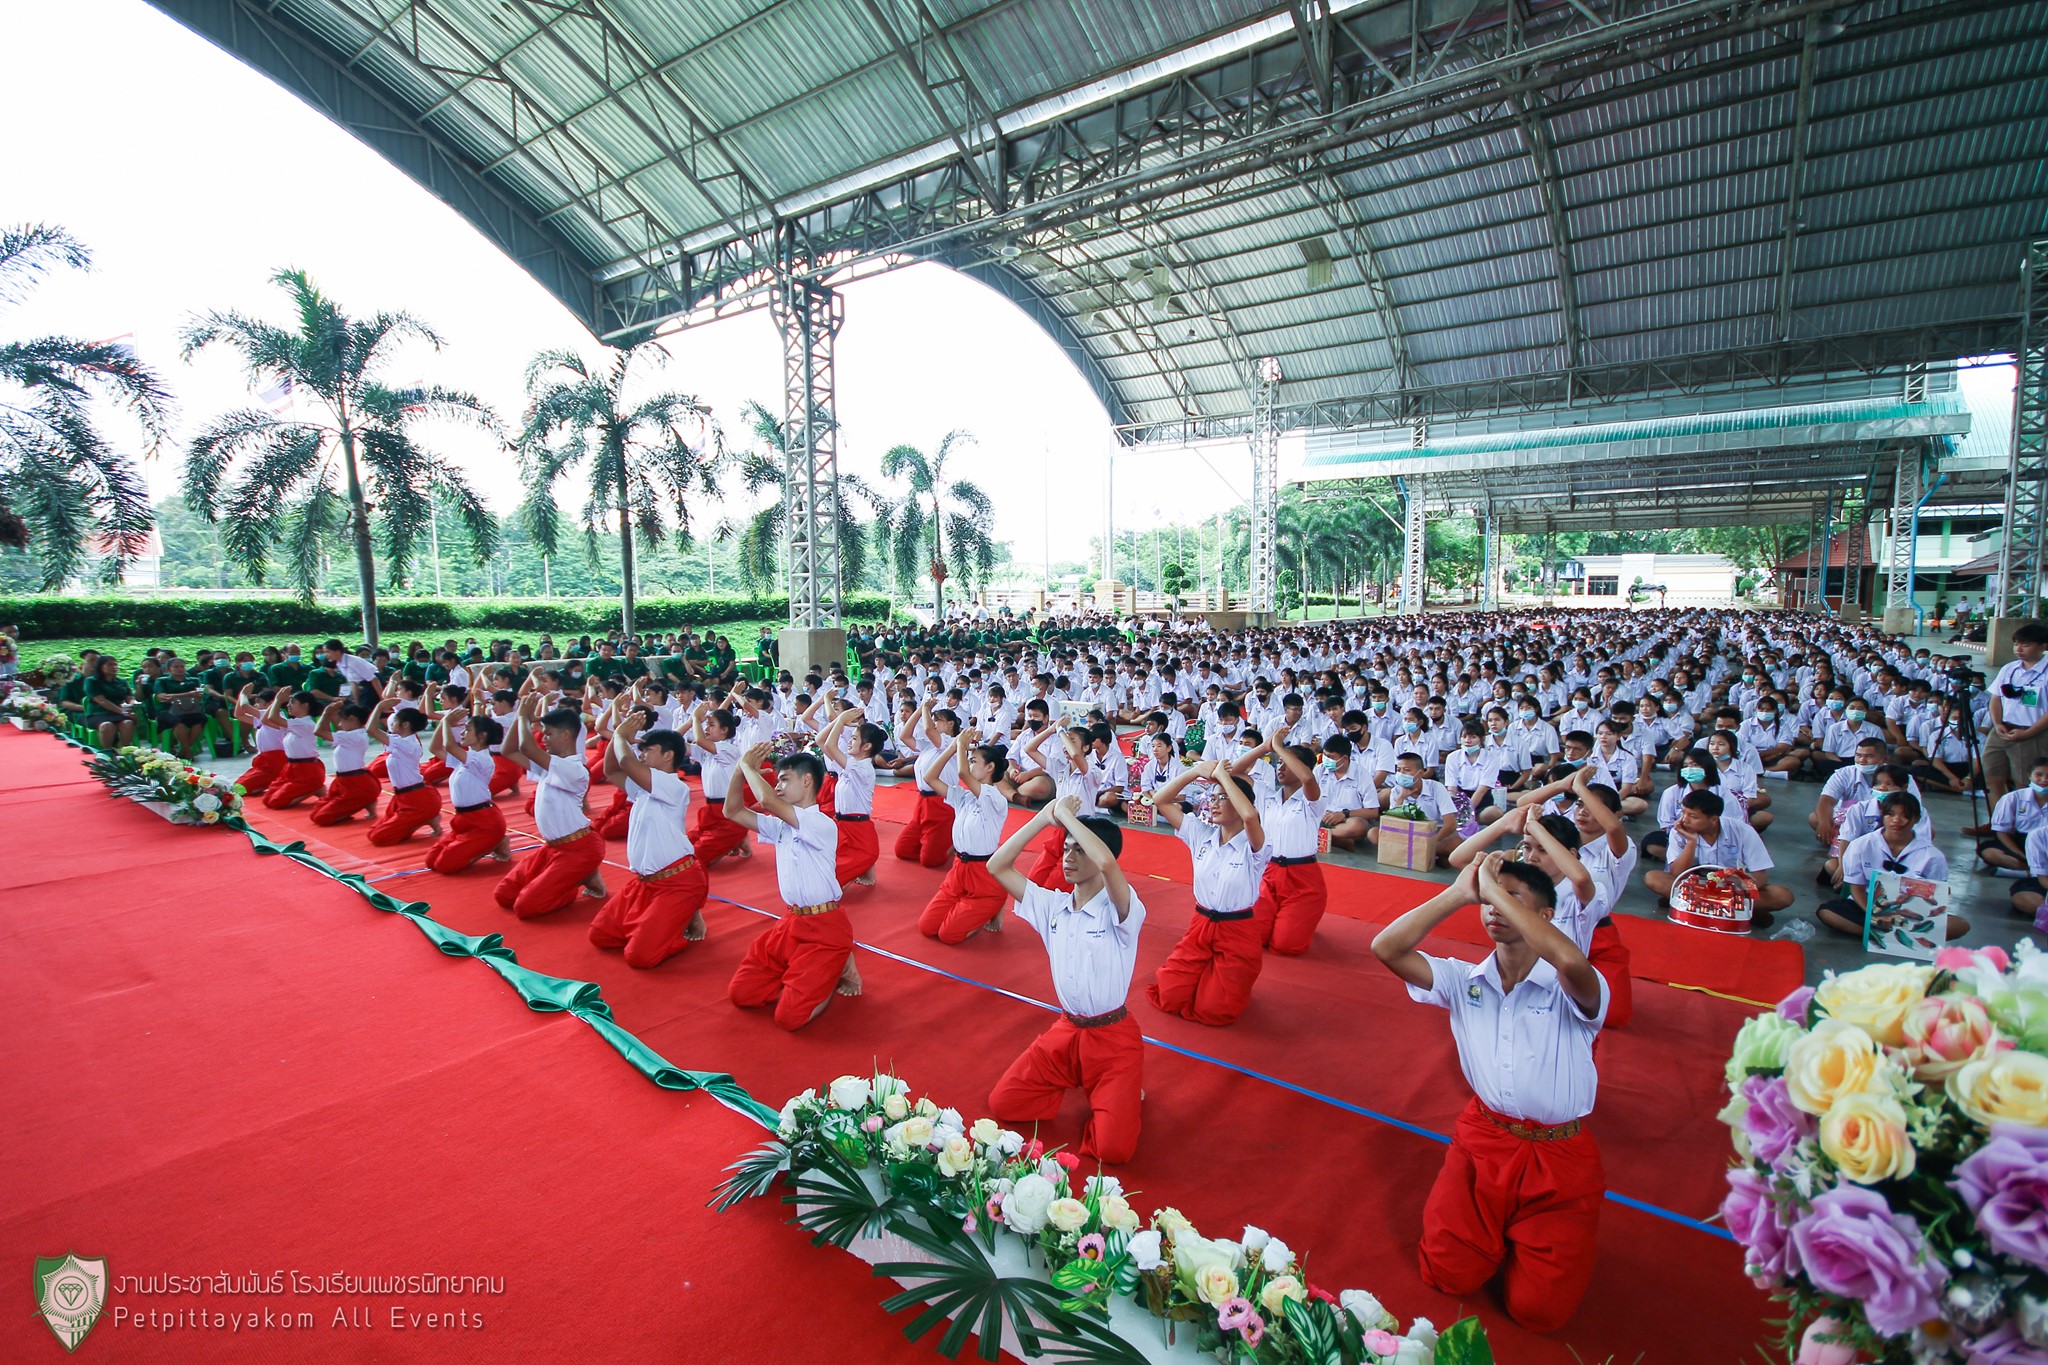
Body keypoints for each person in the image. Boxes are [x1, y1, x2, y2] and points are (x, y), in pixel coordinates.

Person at [1372, 852, 1607, 1334]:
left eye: (1511, 896)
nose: (1494, 906)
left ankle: (1527, 1237)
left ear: (1545, 915)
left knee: (1538, 1312)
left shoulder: (1571, 983)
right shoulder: (1465, 979)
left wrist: (1494, 888)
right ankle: (1496, 1234)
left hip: (1558, 1155)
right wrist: (1460, 892)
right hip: (1484, 1138)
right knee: (1446, 1274)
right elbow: (1386, 947)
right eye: (1489, 899)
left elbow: (1569, 959)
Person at [986, 796, 1145, 1165]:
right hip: (1067, 1030)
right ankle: (1091, 1084)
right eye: (1066, 849)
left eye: (1080, 850)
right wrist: (1045, 818)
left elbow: (1106, 863)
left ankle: (1120, 1087)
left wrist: (1069, 818)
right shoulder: (1053, 906)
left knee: (1113, 1150)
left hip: (1113, 1037)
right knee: (1004, 1103)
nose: (1068, 858)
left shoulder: (1122, 908)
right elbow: (997, 865)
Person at [724, 744, 862, 1029]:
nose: (778, 787)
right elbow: (732, 811)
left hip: (825, 926)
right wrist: (739, 772)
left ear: (807, 781)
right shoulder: (781, 826)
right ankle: (811, 970)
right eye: (777, 781)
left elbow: (766, 800)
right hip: (791, 923)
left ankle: (834, 966)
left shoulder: (820, 822)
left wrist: (748, 766)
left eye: (784, 779)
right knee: (741, 993)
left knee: (789, 1018)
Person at [1145, 759, 1269, 1026]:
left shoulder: (1255, 845)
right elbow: (1161, 800)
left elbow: (1250, 817)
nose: (1213, 804)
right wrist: (1195, 772)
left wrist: (1223, 776)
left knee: (1214, 1010)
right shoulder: (1201, 834)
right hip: (1200, 925)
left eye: (1222, 798)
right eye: (1211, 798)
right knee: (1169, 996)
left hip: (1237, 931)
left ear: (1241, 802)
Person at [587, 710, 708, 968]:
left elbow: (626, 762)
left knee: (639, 956)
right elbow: (612, 769)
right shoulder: (643, 788)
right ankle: (663, 920)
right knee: (600, 935)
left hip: (677, 883)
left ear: (668, 756)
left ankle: (682, 915)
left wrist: (621, 735)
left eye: (648, 750)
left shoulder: (673, 785)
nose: (641, 755)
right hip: (645, 883)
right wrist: (619, 737)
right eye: (641, 751)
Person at [495, 693, 608, 918]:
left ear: (565, 735)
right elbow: (508, 751)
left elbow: (527, 748)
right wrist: (519, 718)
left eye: (548, 734)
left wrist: (523, 718)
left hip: (579, 848)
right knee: (504, 894)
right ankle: (574, 877)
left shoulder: (574, 769)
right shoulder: (550, 765)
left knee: (526, 906)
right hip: (552, 848)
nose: (543, 738)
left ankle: (580, 878)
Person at [1816, 791, 1964, 940]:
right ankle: (1888, 935)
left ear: (1917, 819)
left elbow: (1937, 894)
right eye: (1890, 814)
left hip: (1912, 912)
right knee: (1827, 912)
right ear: (1882, 815)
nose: (1896, 820)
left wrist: (1912, 910)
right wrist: (1875, 915)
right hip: (1867, 905)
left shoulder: (1932, 856)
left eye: (1905, 815)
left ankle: (1882, 934)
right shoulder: (1861, 845)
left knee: (1959, 925)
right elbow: (1857, 888)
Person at [1644, 789, 1794, 929]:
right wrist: (1691, 842)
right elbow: (1676, 874)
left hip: (1732, 887)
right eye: (1683, 813)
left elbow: (1760, 876)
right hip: (1694, 886)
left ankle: (1694, 905)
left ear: (1714, 820)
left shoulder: (1743, 831)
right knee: (1653, 878)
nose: (1684, 820)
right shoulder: (1679, 832)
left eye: (1693, 816)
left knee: (1782, 895)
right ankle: (1739, 910)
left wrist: (1739, 889)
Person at [916, 728, 1014, 943]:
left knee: (948, 935)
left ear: (989, 768)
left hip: (983, 874)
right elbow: (930, 777)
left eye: (974, 761)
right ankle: (969, 905)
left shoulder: (995, 798)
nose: (969, 765)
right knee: (927, 927)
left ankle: (995, 900)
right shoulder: (964, 796)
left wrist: (961, 745)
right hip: (959, 869)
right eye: (969, 760)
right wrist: (952, 747)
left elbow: (962, 773)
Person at [423, 707, 511, 873]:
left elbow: (449, 745)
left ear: (482, 736)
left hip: (484, 822)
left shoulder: (482, 758)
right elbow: (435, 748)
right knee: (431, 860)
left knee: (445, 865)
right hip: (463, 820)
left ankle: (496, 843)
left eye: (468, 729)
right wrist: (443, 724)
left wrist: (446, 722)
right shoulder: (464, 759)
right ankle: (492, 843)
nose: (462, 733)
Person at [816, 703, 886, 889]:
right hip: (841, 826)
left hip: (858, 830)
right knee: (821, 873)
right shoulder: (850, 763)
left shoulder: (862, 768)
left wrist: (840, 720)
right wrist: (839, 721)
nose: (849, 741)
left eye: (854, 738)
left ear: (867, 746)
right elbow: (820, 740)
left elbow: (830, 745)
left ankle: (864, 867)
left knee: (827, 883)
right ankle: (863, 868)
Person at [1983, 622, 2048, 805]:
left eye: (2025, 645)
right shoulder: (2009, 668)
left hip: (2032, 734)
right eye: (2016, 644)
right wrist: (1997, 724)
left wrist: (2028, 733)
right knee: (1992, 777)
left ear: (2043, 646)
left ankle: (2027, 818)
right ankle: (1998, 818)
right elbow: (1996, 698)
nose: (2018, 649)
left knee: (2025, 781)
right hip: (2002, 730)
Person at [367, 696, 442, 846]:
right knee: (373, 832)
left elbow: (371, 729)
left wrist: (378, 708)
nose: (391, 724)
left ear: (405, 724)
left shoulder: (406, 743)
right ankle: (427, 819)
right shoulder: (400, 740)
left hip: (418, 799)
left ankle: (425, 818)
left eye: (395, 721)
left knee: (379, 838)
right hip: (402, 797)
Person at [308, 701, 380, 825]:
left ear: (352, 719)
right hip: (344, 781)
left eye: (341, 720)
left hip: (356, 783)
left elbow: (319, 732)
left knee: (321, 818)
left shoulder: (354, 736)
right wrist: (328, 715)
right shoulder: (350, 735)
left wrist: (326, 714)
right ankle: (365, 801)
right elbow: (325, 731)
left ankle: (365, 800)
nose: (340, 724)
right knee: (316, 812)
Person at [260, 689, 327, 809]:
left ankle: (315, 788)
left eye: (293, 702)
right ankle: (313, 788)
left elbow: (273, 718)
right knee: (267, 799)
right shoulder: (294, 723)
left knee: (276, 802)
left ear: (305, 705)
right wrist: (276, 702)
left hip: (307, 770)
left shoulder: (304, 723)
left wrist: (278, 700)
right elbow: (265, 720)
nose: (288, 705)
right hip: (292, 768)